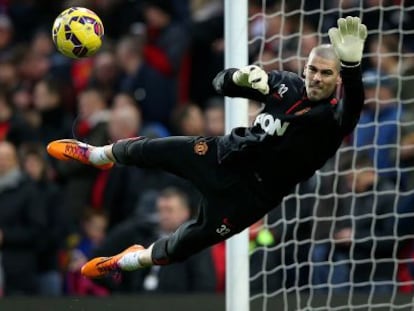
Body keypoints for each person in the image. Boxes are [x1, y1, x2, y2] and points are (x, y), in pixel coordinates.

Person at [47, 16, 368, 279]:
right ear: (305, 68)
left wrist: (353, 70)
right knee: (152, 149)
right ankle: (96, 155)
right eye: (313, 69)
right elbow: (219, 84)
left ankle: (128, 260)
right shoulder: (286, 84)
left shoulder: (333, 120)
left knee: (180, 247)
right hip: (222, 155)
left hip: (248, 198)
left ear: (337, 79)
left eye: (327, 73)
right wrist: (239, 77)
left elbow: (352, 107)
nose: (316, 78)